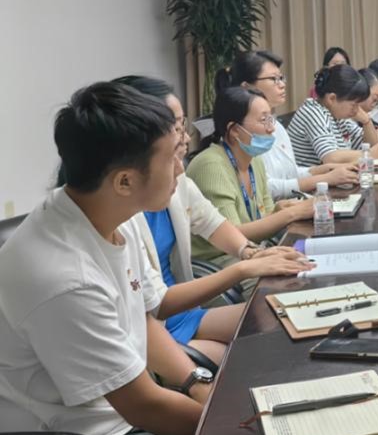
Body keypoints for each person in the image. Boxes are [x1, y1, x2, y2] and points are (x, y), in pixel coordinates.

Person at [0, 82, 206, 435]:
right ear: (125, 181)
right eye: (169, 159)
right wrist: (231, 423)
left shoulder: (114, 212)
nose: (180, 167)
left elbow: (142, 320)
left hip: (123, 422)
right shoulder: (63, 277)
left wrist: (196, 382)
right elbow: (144, 406)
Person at [114, 76, 313, 363]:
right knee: (250, 359)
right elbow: (156, 304)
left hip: (183, 313)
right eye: (177, 128)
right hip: (155, 326)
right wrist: (244, 268)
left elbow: (212, 222)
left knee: (284, 319)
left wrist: (251, 253)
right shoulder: (123, 212)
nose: (186, 138)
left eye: (183, 126)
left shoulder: (177, 180)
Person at [187, 87, 315, 268]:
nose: (271, 128)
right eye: (263, 120)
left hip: (255, 250)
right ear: (235, 130)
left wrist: (277, 210)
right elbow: (232, 233)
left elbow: (264, 218)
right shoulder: (211, 165)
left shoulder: (254, 161)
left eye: (271, 118)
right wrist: (291, 214)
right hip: (221, 261)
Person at [219, 50, 357, 200]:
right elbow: (264, 187)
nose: (282, 84)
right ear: (247, 86)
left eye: (281, 78)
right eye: (273, 79)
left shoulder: (276, 125)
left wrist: (324, 170)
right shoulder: (243, 132)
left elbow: (290, 172)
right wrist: (325, 178)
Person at [287, 65, 378, 169]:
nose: (357, 110)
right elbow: (330, 157)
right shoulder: (312, 112)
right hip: (309, 178)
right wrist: (369, 154)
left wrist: (366, 121)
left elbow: (370, 145)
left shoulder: (338, 115)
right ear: (332, 99)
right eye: (354, 104)